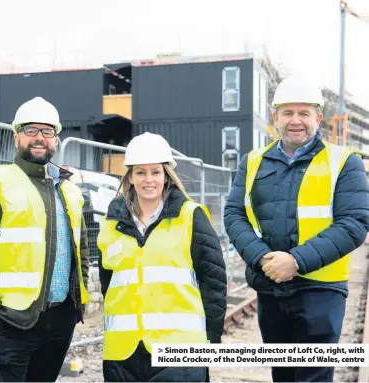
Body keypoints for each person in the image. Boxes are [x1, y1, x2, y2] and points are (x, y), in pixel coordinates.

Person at [224, 74, 369, 382]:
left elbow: (354, 223)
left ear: (318, 118)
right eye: (288, 112)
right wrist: (263, 258)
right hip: (271, 289)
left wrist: (296, 261)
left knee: (313, 377)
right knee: (284, 375)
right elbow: (234, 214)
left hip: (321, 292)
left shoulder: (344, 163)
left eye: (304, 113)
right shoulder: (252, 162)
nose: (296, 120)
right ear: (275, 116)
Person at [0, 97, 91, 382]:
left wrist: (76, 303)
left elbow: (82, 250)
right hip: (11, 322)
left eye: (47, 131)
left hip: (60, 320)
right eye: (31, 130)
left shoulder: (70, 190)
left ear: (56, 139)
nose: (39, 138)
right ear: (16, 135)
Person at [97, 132, 227, 382]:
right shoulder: (111, 223)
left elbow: (214, 282)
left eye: (155, 172)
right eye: (141, 172)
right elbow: (109, 283)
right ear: (130, 177)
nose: (149, 180)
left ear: (167, 175)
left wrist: (211, 342)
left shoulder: (191, 217)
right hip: (123, 353)